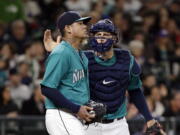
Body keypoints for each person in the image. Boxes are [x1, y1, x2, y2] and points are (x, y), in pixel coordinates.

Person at [43, 19, 166, 135]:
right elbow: (62, 66)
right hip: (89, 124)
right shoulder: (82, 58)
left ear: (114, 38)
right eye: (98, 34)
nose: (101, 38)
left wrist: (149, 118)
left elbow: (135, 91)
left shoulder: (127, 60)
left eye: (105, 34)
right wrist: (54, 51)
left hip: (118, 125)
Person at [40, 11, 95, 135]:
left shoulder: (80, 54)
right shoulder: (61, 53)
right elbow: (47, 89)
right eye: (80, 24)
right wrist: (76, 108)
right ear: (68, 28)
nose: (85, 26)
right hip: (61, 114)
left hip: (72, 114)